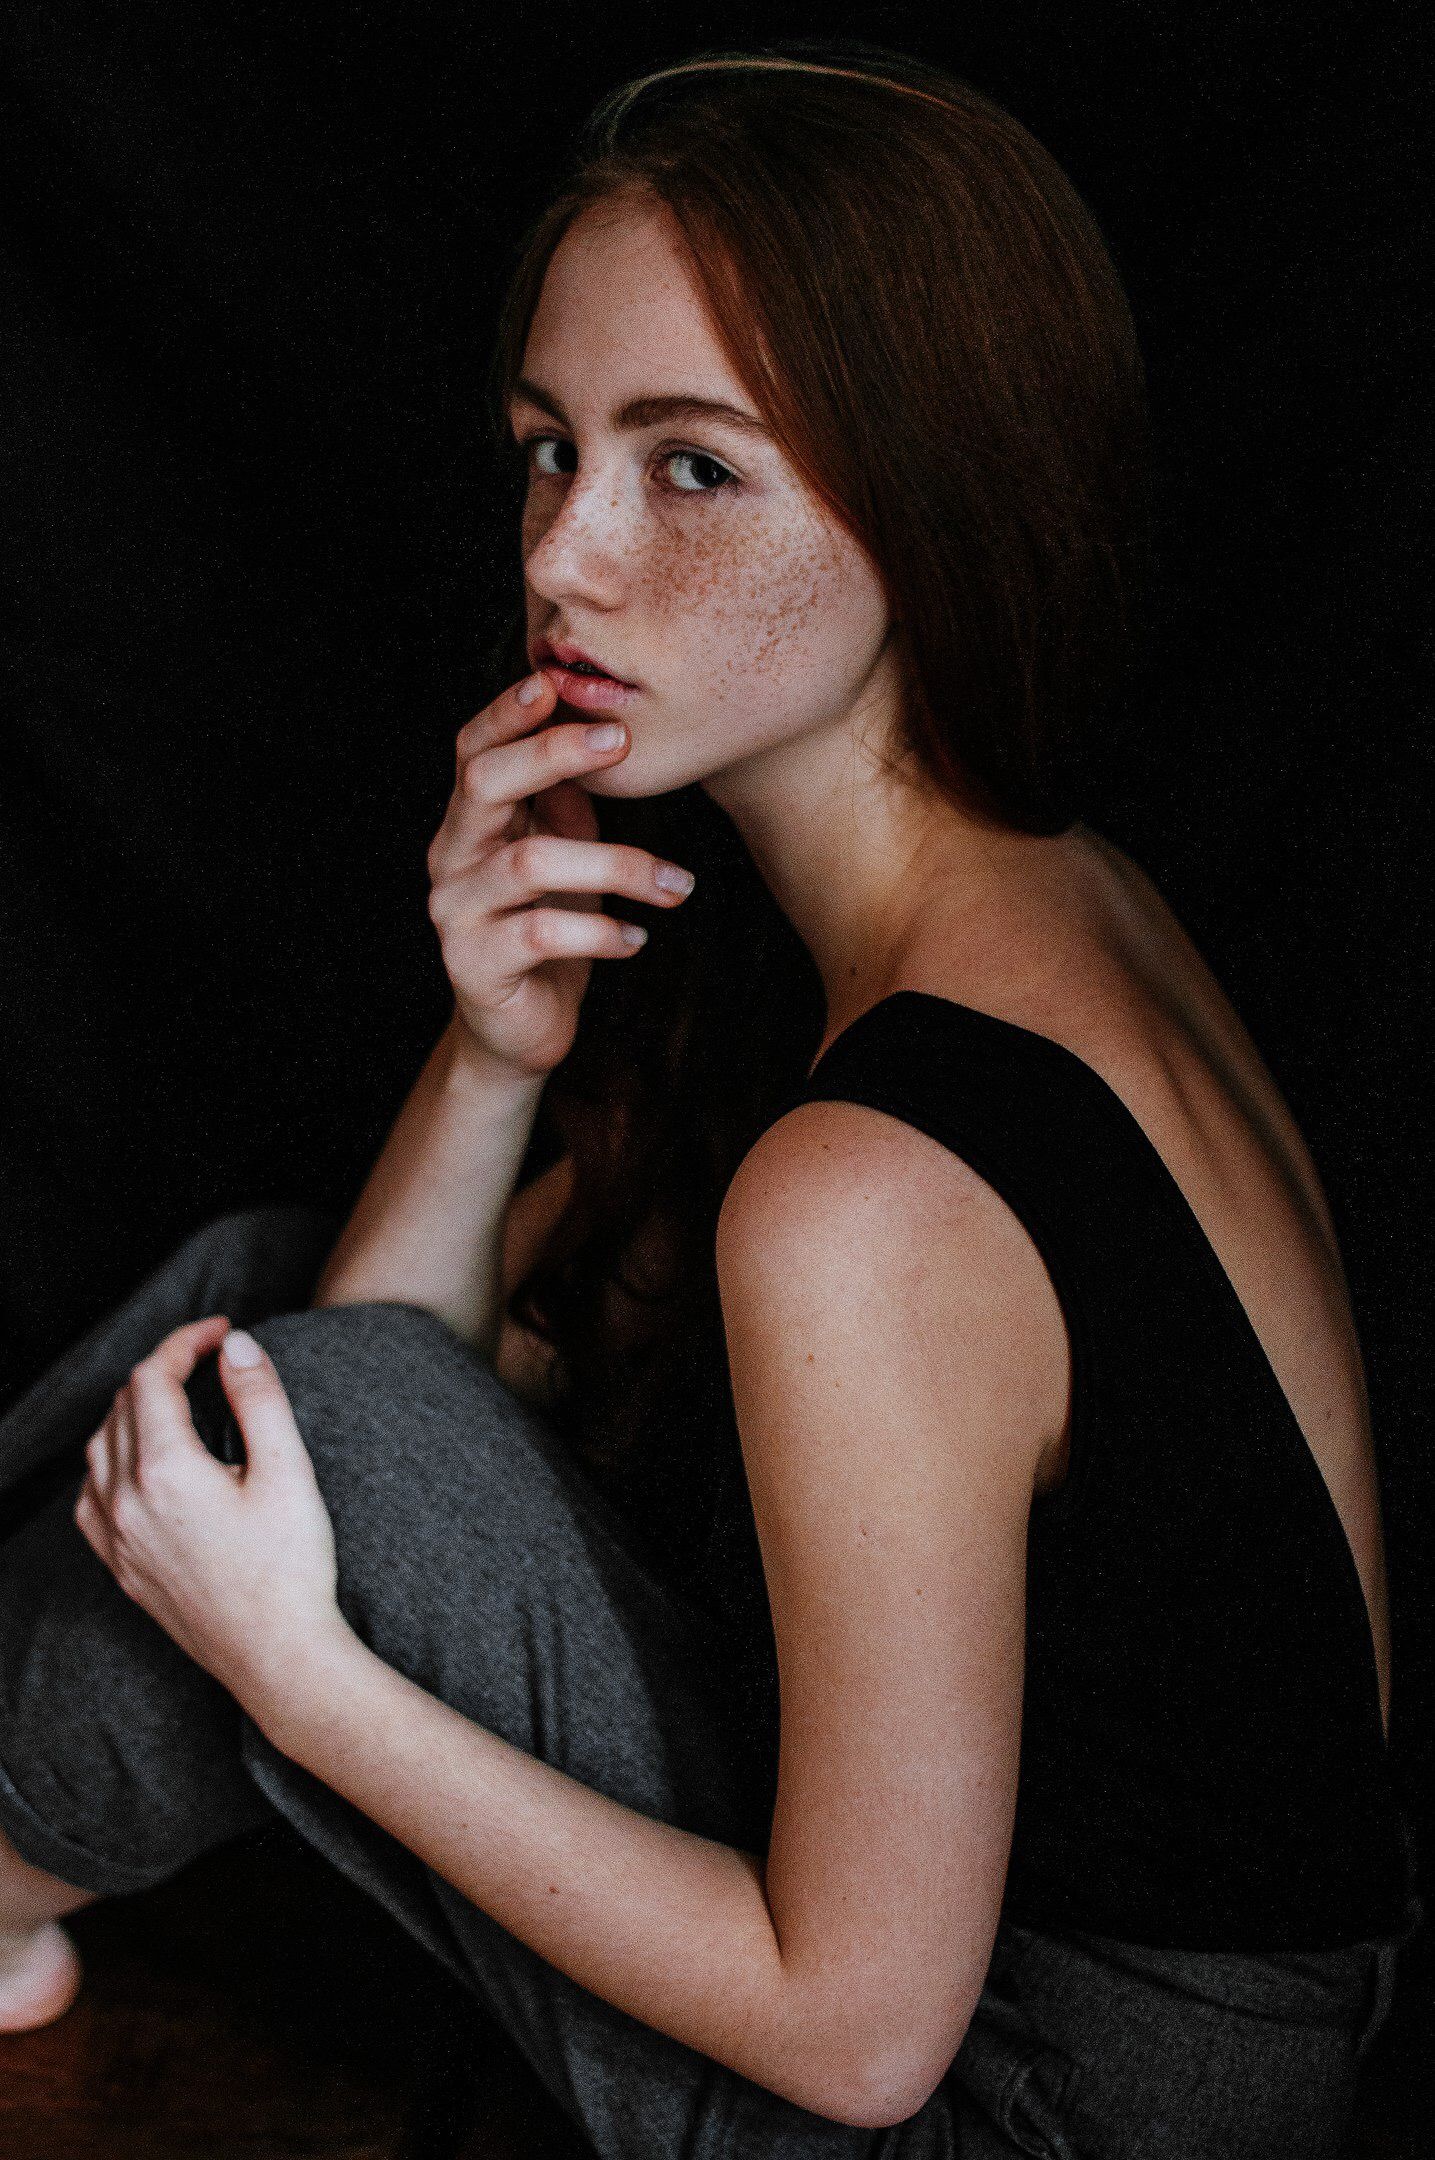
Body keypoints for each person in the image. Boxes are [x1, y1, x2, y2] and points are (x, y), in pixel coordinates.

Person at [0, 37, 1417, 2159]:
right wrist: (492, 1050)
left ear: (934, 502)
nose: (565, 557)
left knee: (283, 1434)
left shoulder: (881, 1181)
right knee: (261, 1296)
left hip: (1033, 2116)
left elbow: (858, 2042)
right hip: (1117, 2018)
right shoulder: (1033, 891)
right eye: (547, 449)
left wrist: (298, 1679)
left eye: (690, 469)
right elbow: (385, 1374)